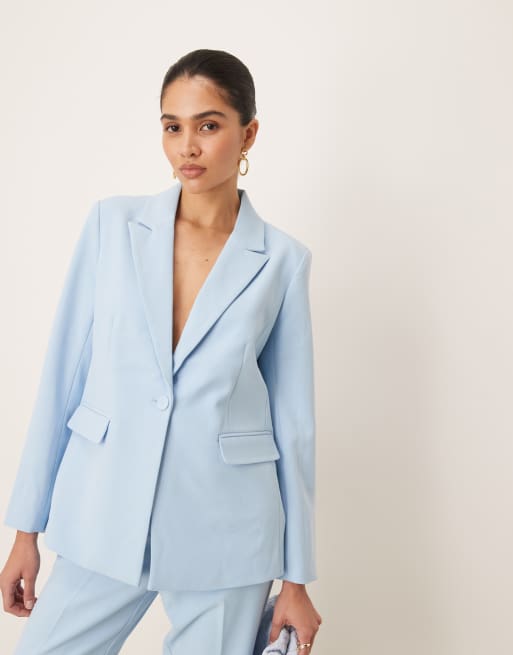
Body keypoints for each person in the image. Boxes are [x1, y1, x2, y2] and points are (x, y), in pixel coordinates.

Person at [0, 48, 322, 654]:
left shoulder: (282, 261)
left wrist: (297, 579)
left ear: (248, 133)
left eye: (208, 125)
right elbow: (63, 378)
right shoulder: (111, 226)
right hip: (103, 509)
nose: (187, 147)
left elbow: (294, 423)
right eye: (173, 127)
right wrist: (25, 529)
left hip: (228, 532)